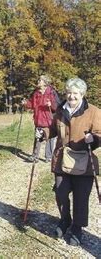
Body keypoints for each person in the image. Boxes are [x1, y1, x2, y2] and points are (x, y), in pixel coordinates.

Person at [50, 78, 100, 246]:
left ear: (82, 94)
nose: (71, 96)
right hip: (62, 160)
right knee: (60, 193)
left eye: (75, 93)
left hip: (84, 163)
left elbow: (99, 134)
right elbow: (51, 129)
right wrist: (42, 134)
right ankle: (65, 220)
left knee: (81, 198)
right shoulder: (60, 109)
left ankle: (77, 228)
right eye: (69, 92)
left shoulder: (93, 111)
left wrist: (93, 138)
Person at [22, 75, 59, 162]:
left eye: (40, 80)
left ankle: (48, 157)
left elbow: (57, 106)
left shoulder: (51, 92)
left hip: (49, 120)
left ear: (45, 83)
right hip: (38, 119)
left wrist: (51, 104)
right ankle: (35, 156)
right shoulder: (36, 93)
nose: (38, 81)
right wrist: (25, 103)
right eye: (38, 80)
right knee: (38, 138)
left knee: (49, 138)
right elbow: (32, 104)